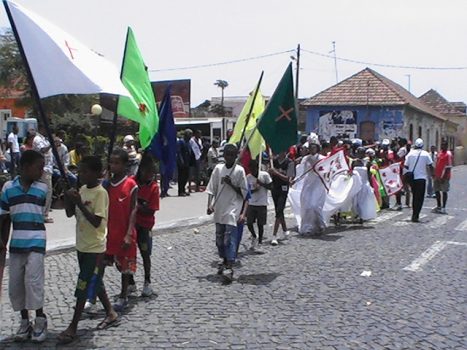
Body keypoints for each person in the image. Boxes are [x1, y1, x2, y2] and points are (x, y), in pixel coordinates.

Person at [57, 156, 118, 345]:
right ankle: (111, 312)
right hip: (82, 245)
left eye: (85, 171)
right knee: (95, 280)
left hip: (95, 247)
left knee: (83, 284)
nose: (81, 175)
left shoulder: (101, 193)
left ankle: (73, 327)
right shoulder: (81, 190)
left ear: (97, 173)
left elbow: (96, 221)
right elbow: (69, 213)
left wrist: (80, 203)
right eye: (80, 171)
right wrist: (69, 197)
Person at [0, 150, 48, 342]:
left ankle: (40, 319)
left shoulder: (42, 188)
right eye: (39, 167)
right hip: (17, 243)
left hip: (36, 241)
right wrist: (2, 240)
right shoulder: (8, 188)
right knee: (17, 284)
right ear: (26, 167)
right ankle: (24, 320)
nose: (42, 171)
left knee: (34, 282)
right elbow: (3, 216)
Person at [206, 144, 248, 281]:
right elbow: (212, 188)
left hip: (232, 208)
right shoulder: (218, 169)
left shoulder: (239, 171)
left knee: (229, 238)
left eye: (231, 155)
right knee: (219, 239)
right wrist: (209, 205)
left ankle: (230, 264)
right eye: (227, 155)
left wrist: (231, 184)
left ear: (235, 156)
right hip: (219, 208)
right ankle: (223, 259)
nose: (229, 157)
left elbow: (244, 193)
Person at [105, 149, 138, 311]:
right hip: (110, 231)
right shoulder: (107, 184)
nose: (113, 166)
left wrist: (129, 233)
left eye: (117, 163)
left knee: (125, 266)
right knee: (114, 263)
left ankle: (123, 294)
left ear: (125, 165)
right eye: (111, 162)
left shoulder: (131, 184)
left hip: (125, 231)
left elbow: (133, 209)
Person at [128, 153, 160, 297]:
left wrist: (137, 205)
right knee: (129, 254)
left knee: (145, 254)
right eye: (148, 171)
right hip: (131, 225)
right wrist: (140, 204)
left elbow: (150, 210)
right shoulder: (132, 182)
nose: (150, 175)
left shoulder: (154, 187)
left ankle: (147, 282)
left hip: (145, 226)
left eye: (153, 172)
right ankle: (130, 282)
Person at [299, 142, 327, 235]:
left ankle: (320, 225)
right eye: (310, 148)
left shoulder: (323, 159)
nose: (312, 150)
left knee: (315, 206)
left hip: (318, 184)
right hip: (308, 184)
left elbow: (326, 171)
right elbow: (302, 172)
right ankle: (307, 227)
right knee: (307, 206)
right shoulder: (305, 159)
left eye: (314, 148)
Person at [269, 151, 295, 245]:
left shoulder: (290, 163)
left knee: (279, 210)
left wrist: (276, 172)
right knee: (278, 211)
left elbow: (288, 178)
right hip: (274, 188)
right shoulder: (274, 161)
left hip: (283, 189)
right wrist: (270, 171)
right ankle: (285, 230)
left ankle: (274, 235)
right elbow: (270, 174)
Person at [404, 138, 433, 223]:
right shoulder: (426, 154)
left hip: (412, 178)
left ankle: (414, 214)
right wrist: (433, 174)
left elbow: (406, 166)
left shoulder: (410, 154)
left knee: (414, 196)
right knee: (419, 198)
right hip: (421, 179)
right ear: (422, 145)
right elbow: (430, 165)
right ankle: (416, 214)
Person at [246, 159, 272, 248]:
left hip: (262, 203)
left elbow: (271, 186)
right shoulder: (248, 177)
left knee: (260, 224)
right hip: (251, 203)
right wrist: (254, 190)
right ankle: (254, 235)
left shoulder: (264, 175)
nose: (253, 170)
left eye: (254, 168)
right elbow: (247, 191)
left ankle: (260, 241)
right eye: (251, 168)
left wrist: (262, 184)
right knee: (249, 223)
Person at [32, 126, 54, 223]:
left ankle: (42, 213)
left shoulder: (44, 139)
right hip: (43, 169)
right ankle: (43, 215)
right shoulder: (37, 139)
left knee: (45, 191)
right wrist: (51, 144)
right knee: (47, 191)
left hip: (47, 168)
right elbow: (42, 150)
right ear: (41, 129)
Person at [432, 141, 452, 214]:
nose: (442, 146)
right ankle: (438, 206)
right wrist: (434, 174)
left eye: (444, 145)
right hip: (437, 175)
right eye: (442, 145)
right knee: (436, 190)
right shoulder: (439, 153)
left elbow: (449, 167)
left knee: (444, 191)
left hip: (444, 176)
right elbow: (436, 163)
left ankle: (443, 207)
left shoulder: (448, 154)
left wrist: (444, 177)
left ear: (447, 146)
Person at [176, 129, 193, 196]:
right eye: (190, 134)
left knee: (186, 177)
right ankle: (180, 191)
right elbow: (179, 152)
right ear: (186, 134)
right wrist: (181, 160)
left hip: (187, 162)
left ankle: (183, 189)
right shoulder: (181, 141)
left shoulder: (188, 142)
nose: (191, 136)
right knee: (181, 177)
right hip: (181, 162)